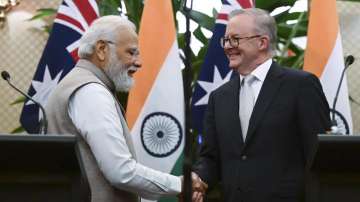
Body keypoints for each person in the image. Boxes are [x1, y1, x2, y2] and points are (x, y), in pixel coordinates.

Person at [45, 15, 205, 202]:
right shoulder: (91, 92)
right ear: (102, 49)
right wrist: (180, 185)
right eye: (131, 52)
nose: (139, 62)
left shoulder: (81, 83)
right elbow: (120, 171)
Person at [192, 8, 331, 202]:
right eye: (226, 40)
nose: (227, 46)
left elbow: (319, 157)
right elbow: (210, 157)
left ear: (262, 42)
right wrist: (199, 179)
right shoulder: (219, 97)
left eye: (235, 39)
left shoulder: (300, 86)